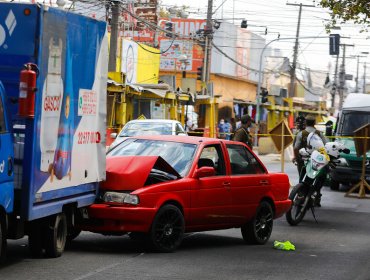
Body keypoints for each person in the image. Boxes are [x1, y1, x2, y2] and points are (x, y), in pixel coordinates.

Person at [293, 114, 328, 206]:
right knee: (320, 176)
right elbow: (326, 145)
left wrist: (297, 158)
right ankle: (317, 195)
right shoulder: (319, 133)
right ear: (314, 123)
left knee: (302, 178)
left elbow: (296, 148)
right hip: (317, 160)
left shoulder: (301, 133)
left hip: (303, 160)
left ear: (305, 122)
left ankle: (300, 195)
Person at [292, 115, 306, 180]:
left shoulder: (298, 133)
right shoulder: (308, 132)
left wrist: (295, 157)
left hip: (301, 157)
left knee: (301, 175)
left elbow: (295, 147)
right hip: (303, 157)